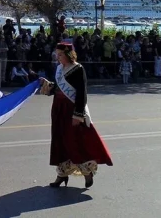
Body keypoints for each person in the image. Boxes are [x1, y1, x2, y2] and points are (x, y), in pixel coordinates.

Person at [39, 43, 113, 188]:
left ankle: (87, 172)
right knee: (60, 141)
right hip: (58, 108)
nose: (58, 57)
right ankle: (62, 174)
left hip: (71, 108)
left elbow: (81, 93)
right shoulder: (60, 69)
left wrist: (78, 115)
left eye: (60, 54)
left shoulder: (77, 69)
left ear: (68, 54)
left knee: (75, 141)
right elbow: (59, 88)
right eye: (57, 55)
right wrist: (49, 86)